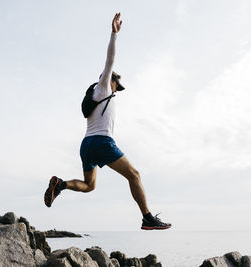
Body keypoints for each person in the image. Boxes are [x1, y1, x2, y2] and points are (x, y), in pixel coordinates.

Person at [44, 13, 171, 230]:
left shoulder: (99, 96)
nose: (117, 90)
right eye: (117, 86)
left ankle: (61, 185)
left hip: (86, 146)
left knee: (89, 185)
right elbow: (109, 60)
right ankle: (147, 218)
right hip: (102, 142)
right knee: (134, 175)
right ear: (110, 80)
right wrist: (114, 34)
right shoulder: (102, 87)